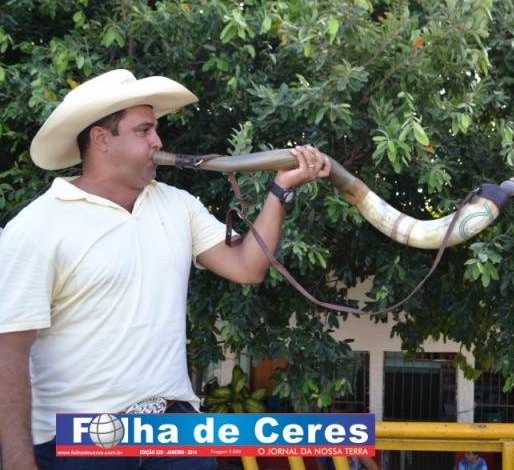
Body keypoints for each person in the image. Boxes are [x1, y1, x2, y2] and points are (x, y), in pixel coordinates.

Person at [0, 69, 331, 469]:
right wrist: (18, 462)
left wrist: (280, 190)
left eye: (155, 129)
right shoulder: (37, 227)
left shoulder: (177, 204)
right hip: (80, 441)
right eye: (144, 131)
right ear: (101, 139)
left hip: (173, 429)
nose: (158, 141)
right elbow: (8, 352)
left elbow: (247, 266)